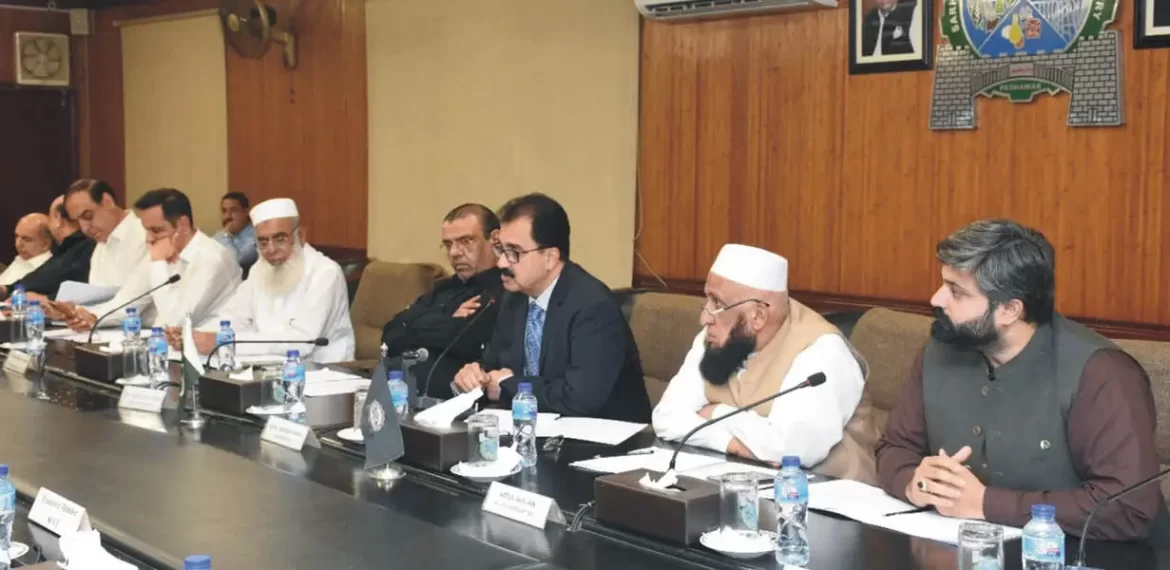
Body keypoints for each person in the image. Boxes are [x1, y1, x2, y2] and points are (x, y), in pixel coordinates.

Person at [876, 219, 1170, 542]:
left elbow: (1128, 508)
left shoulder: (1101, 374)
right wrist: (915, 482)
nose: (936, 299)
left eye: (956, 292)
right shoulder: (939, 350)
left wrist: (986, 504)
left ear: (1010, 310)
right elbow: (894, 447)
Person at [652, 244, 875, 481]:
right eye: (707, 300)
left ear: (757, 316)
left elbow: (791, 451)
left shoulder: (822, 350)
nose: (705, 317)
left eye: (717, 304)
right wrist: (731, 444)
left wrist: (716, 412)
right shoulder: (717, 336)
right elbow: (665, 418)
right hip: (747, 492)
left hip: (831, 503)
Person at [453, 193, 650, 422]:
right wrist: (475, 375)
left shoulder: (593, 306)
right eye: (500, 249)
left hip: (604, 440)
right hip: (537, 433)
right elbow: (493, 367)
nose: (501, 263)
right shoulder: (514, 299)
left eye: (514, 252)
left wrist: (508, 386)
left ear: (550, 257)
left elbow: (580, 399)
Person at [191, 198, 354, 362]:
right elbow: (234, 316)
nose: (271, 249)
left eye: (280, 239)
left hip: (324, 372)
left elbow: (302, 341)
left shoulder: (325, 272)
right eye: (262, 242)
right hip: (268, 366)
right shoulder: (259, 270)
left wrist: (226, 342)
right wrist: (195, 336)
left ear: (301, 235)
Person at [62, 188, 241, 331]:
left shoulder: (212, 258)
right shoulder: (161, 251)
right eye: (146, 230)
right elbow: (126, 303)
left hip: (215, 357)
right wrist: (88, 316)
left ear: (183, 225)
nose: (148, 239)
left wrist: (158, 264)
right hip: (173, 350)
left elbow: (174, 322)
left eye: (156, 230)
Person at [381, 203, 503, 398]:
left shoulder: (501, 290)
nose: (454, 252)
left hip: (448, 405)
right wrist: (447, 319)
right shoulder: (443, 288)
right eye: (448, 244)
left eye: (466, 241)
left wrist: (420, 324)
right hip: (398, 395)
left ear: (495, 241)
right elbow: (391, 333)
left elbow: (466, 340)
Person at [2, 196, 95, 301]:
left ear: (58, 219)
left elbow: (45, 282)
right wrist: (6, 290)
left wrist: (45, 299)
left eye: (50, 218)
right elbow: (36, 280)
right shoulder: (65, 250)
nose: (18, 244)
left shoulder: (82, 250)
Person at [63, 179, 148, 292]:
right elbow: (95, 298)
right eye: (77, 222)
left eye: (87, 216)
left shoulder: (144, 235)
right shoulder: (100, 247)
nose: (84, 229)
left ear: (107, 201)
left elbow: (136, 299)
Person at [0, 213, 53, 286]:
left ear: (45, 244)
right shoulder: (22, 258)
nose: (18, 244)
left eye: (26, 239)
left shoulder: (47, 271)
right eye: (16, 236)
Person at [213, 192, 258, 270]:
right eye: (224, 211)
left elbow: (235, 262)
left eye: (233, 210)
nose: (228, 216)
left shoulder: (255, 237)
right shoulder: (219, 236)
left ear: (246, 212)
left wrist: (227, 235)